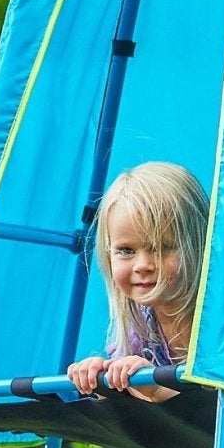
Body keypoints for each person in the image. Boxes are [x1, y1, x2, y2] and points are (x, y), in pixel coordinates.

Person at [67, 162, 208, 404]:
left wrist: (155, 389)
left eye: (162, 247)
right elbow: (131, 407)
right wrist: (101, 380)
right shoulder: (140, 328)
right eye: (126, 250)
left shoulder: (217, 327)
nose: (142, 265)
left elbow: (215, 409)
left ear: (199, 246)